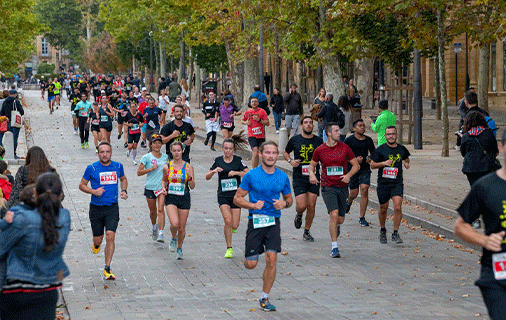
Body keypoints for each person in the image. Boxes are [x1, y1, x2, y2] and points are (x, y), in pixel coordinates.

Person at [0, 173, 70, 320]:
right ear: (61, 194)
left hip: (18, 290)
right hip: (48, 290)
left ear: (35, 193)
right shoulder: (65, 217)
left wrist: (6, 221)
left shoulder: (22, 218)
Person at [233, 141, 292, 312]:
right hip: (256, 221)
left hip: (273, 221)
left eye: (274, 153)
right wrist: (251, 206)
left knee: (271, 258)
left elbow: (289, 200)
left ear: (277, 155)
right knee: (251, 264)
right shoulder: (251, 175)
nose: (271, 156)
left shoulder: (282, 177)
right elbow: (237, 198)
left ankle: (264, 297)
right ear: (260, 154)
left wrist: (284, 204)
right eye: (268, 153)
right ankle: (249, 258)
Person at [454, 131, 506, 320]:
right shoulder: (485, 186)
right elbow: (460, 225)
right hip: (497, 274)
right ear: (501, 148)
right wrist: (484, 239)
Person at [308, 123, 359, 257]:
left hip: (342, 186)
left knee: (340, 219)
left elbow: (356, 165)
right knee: (334, 214)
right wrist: (312, 175)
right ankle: (334, 247)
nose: (339, 133)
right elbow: (311, 166)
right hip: (327, 186)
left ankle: (336, 226)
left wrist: (348, 175)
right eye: (336, 131)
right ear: (329, 133)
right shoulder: (320, 150)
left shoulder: (345, 148)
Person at [79, 142, 128, 280]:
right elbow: (81, 185)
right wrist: (93, 191)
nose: (105, 154)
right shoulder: (92, 168)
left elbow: (123, 179)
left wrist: (123, 190)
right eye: (102, 152)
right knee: (98, 240)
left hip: (112, 207)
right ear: (98, 153)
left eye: (107, 151)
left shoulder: (118, 166)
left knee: (110, 236)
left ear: (111, 153)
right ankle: (96, 244)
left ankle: (107, 268)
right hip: (96, 208)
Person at [206, 134, 249, 258]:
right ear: (222, 148)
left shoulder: (238, 160)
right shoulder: (218, 160)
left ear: (233, 149)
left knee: (235, 224)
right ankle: (229, 248)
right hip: (223, 195)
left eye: (230, 148)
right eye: (226, 148)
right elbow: (207, 177)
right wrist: (213, 171)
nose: (228, 151)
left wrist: (236, 172)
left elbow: (248, 174)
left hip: (236, 197)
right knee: (228, 220)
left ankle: (231, 228)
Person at [283, 116, 323, 242]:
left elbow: (324, 155)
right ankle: (299, 214)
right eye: (306, 123)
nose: (309, 125)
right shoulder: (295, 139)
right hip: (299, 177)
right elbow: (285, 152)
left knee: (311, 205)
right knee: (302, 205)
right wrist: (290, 160)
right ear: (301, 126)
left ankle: (307, 231)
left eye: (311, 123)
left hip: (314, 177)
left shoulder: (319, 140)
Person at [370, 126, 410, 244]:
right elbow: (372, 165)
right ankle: (383, 230)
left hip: (397, 182)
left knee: (397, 207)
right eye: (388, 134)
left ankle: (395, 232)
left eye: (393, 134)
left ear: (396, 135)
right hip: (383, 183)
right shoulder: (381, 150)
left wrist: (406, 164)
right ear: (385, 136)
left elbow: (407, 159)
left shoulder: (402, 149)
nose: (391, 136)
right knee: (383, 208)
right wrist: (383, 163)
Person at [161, 141, 195, 259]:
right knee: (174, 223)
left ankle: (179, 248)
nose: (176, 153)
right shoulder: (167, 166)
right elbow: (164, 180)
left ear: (182, 151)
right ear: (171, 151)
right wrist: (163, 188)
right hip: (171, 196)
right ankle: (173, 238)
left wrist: (190, 177)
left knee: (181, 227)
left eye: (178, 151)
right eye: (174, 151)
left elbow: (192, 186)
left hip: (184, 196)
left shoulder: (189, 166)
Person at [344, 119, 376, 226]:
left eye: (363, 126)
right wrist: (354, 160)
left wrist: (369, 158)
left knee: (364, 189)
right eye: (360, 126)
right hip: (352, 169)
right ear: (354, 128)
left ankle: (362, 217)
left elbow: (373, 153)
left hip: (364, 169)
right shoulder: (349, 140)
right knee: (354, 193)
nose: (362, 127)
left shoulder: (368, 140)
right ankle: (348, 201)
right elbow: (343, 156)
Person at [138, 135, 169, 242]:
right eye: (155, 143)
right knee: (153, 211)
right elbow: (139, 172)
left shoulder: (166, 157)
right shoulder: (147, 157)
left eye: (159, 143)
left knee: (161, 209)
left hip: (161, 187)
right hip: (150, 187)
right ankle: (154, 226)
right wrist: (150, 169)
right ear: (151, 144)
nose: (157, 145)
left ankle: (161, 233)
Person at [459, 111, 499, 187]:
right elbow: (495, 150)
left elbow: (463, 153)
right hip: (486, 167)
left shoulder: (466, 136)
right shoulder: (489, 133)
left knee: (475, 189)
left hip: (470, 169)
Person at [242, 97, 269, 168]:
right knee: (255, 151)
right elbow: (242, 121)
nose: (254, 103)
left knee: (261, 153)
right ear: (250, 103)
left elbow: (267, 123)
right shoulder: (247, 112)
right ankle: (254, 171)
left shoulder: (262, 111)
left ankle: (261, 168)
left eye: (255, 101)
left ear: (258, 103)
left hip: (261, 135)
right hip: (251, 135)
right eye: (252, 102)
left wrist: (259, 120)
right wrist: (246, 122)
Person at [0, 89, 24, 159]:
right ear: (15, 94)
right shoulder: (16, 101)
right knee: (15, 138)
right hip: (15, 122)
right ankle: (13, 154)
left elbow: (2, 113)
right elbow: (22, 112)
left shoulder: (5, 101)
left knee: (8, 138)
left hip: (7, 122)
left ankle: (7, 153)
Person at [124, 100, 143, 165]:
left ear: (136, 107)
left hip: (137, 132)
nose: (133, 108)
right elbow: (124, 122)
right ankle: (129, 151)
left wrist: (140, 125)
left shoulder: (139, 114)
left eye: (134, 107)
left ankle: (134, 159)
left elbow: (142, 122)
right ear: (130, 107)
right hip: (131, 132)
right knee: (130, 146)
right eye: (132, 107)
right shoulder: (128, 115)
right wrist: (128, 125)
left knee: (135, 145)